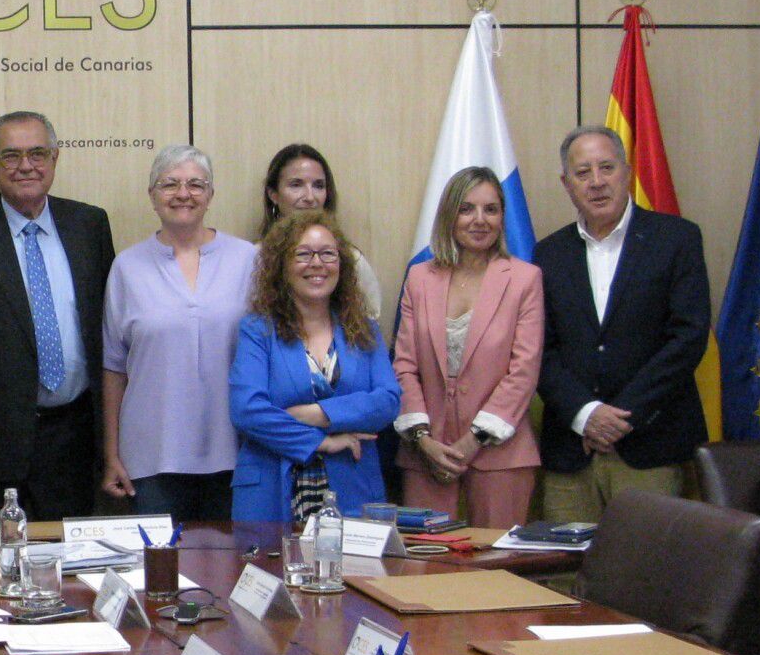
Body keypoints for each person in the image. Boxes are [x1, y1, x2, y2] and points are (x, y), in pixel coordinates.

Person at [0, 111, 114, 523]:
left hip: (75, 440)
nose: (26, 166)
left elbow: (106, 335)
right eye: (11, 156)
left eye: (37, 154)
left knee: (66, 558)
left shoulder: (90, 225)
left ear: (55, 158)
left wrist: (112, 444)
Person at [534, 126, 710, 522]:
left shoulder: (677, 239)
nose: (596, 182)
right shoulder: (548, 254)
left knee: (646, 558)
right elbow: (539, 349)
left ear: (626, 172)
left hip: (651, 445)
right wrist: (585, 414)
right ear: (566, 183)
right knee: (561, 560)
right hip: (572, 450)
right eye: (582, 172)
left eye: (606, 168)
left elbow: (688, 337)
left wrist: (621, 417)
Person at [100, 145, 257, 521]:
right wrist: (112, 454)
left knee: (232, 557)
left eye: (195, 184)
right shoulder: (127, 267)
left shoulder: (248, 259)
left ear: (211, 194)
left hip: (235, 451)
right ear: (152, 195)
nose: (183, 194)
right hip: (152, 457)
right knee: (160, 558)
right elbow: (113, 368)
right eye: (169, 184)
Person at [390, 167, 544, 530]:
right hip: (426, 454)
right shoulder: (419, 278)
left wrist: (472, 442)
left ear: (502, 217)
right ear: (449, 215)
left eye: (491, 209)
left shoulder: (525, 278)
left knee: (496, 561)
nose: (479, 220)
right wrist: (422, 439)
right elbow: (404, 365)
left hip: (501, 455)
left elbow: (523, 371)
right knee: (426, 560)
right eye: (466, 209)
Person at [228, 211, 399, 524]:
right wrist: (321, 441)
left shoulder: (365, 330)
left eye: (327, 254)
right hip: (272, 490)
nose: (317, 263)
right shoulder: (257, 330)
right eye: (303, 254)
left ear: (342, 264)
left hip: (354, 486)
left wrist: (318, 414)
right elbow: (247, 410)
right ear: (281, 265)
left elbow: (388, 401)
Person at [260, 143, 382, 320]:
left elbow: (369, 324)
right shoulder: (254, 259)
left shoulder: (351, 260)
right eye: (296, 185)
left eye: (318, 186)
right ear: (273, 194)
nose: (310, 197)